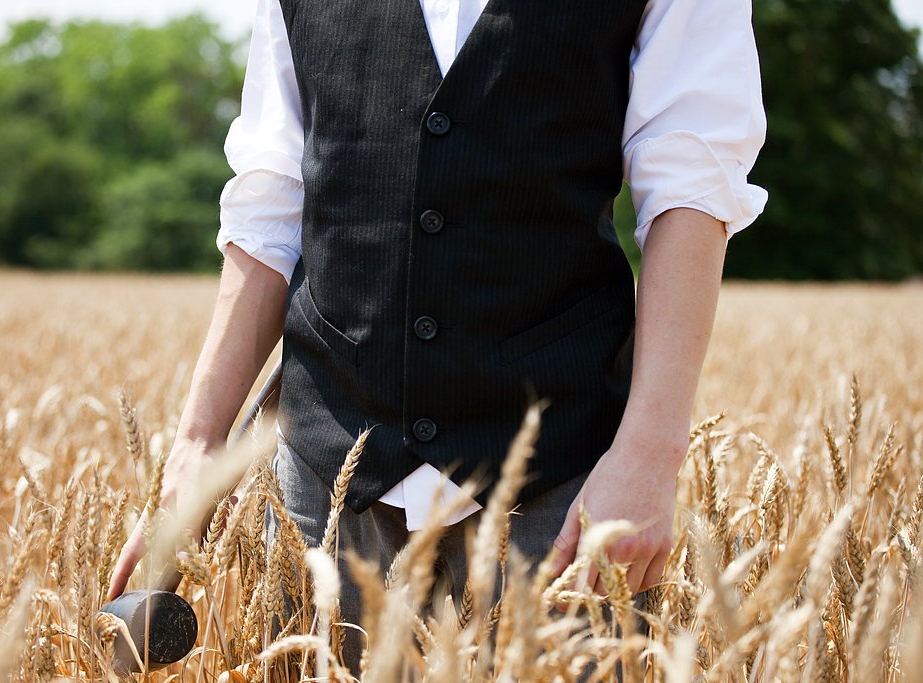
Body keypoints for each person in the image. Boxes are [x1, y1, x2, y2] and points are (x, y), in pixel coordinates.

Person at [109, 0, 767, 667]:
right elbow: (270, 196)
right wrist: (197, 440)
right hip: (327, 471)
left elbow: (692, 187)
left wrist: (649, 457)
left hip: (566, 476)